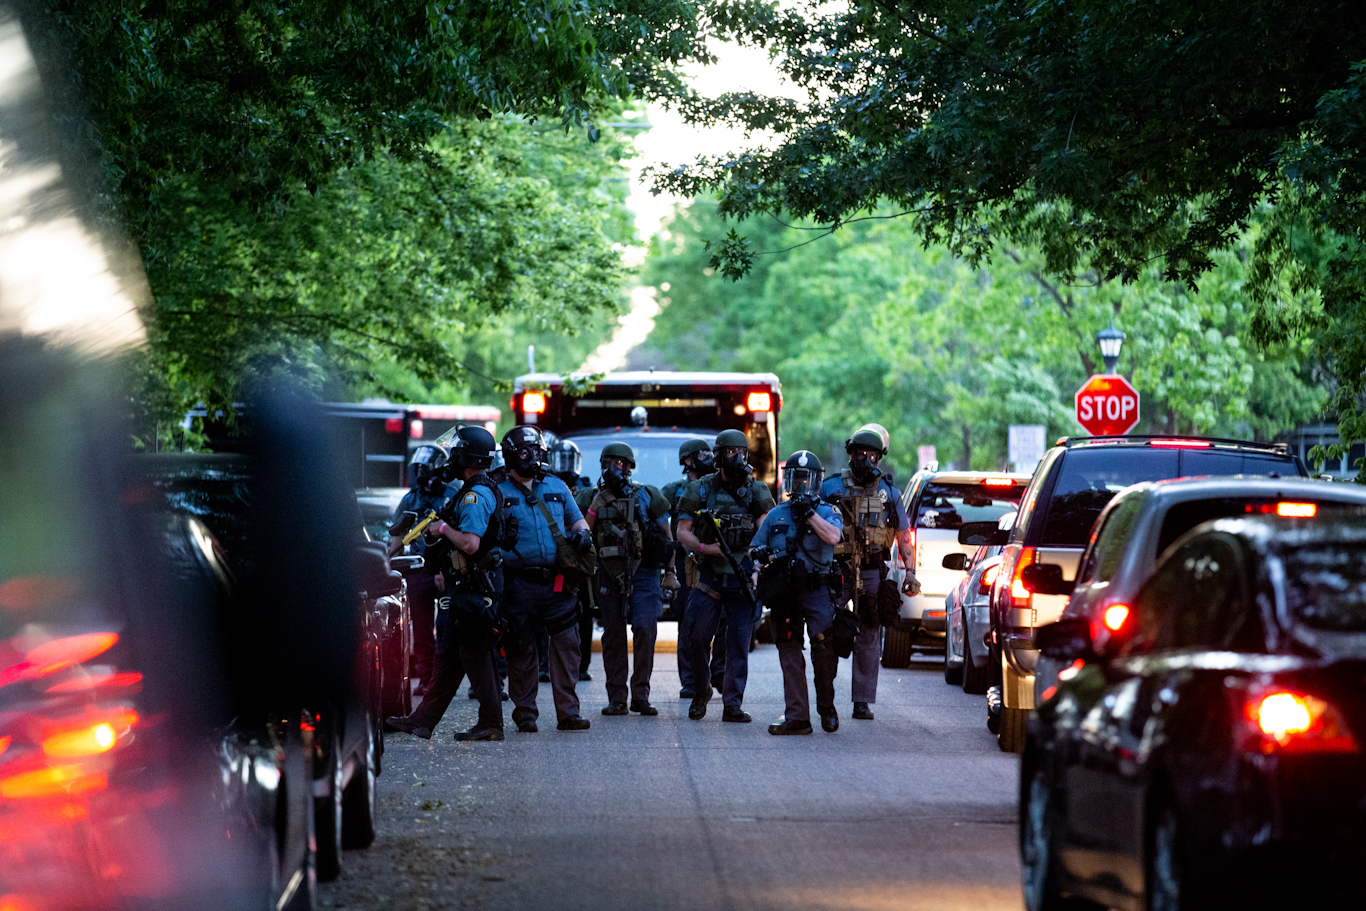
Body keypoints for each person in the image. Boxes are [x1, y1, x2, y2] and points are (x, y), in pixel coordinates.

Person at [384, 427, 507, 740]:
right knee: (449, 658)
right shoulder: (472, 489)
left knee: (476, 658)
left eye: (456, 450)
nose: (451, 456)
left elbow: (469, 544)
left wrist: (442, 530)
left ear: (467, 455)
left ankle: (491, 724)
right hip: (462, 590)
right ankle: (422, 721)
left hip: (473, 590)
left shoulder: (475, 495)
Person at [498, 425, 593, 732]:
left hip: (557, 583)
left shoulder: (557, 485)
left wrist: (581, 533)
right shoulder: (496, 490)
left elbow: (577, 518)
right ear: (511, 456)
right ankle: (525, 713)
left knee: (567, 646)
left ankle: (569, 713)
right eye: (526, 452)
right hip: (516, 584)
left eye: (537, 451)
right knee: (521, 649)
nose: (533, 457)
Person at [676, 429, 774, 722]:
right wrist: (707, 547)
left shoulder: (757, 491)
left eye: (741, 452)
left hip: (742, 574)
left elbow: (765, 532)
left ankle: (732, 703)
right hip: (708, 574)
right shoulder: (700, 490)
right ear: (718, 457)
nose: (736, 458)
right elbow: (683, 532)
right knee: (698, 637)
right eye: (730, 452)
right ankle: (700, 691)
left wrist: (756, 568)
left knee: (739, 643)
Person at [819, 427, 917, 721]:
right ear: (850, 454)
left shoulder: (890, 492)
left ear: (879, 457)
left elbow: (903, 535)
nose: (865, 459)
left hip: (873, 569)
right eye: (859, 453)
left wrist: (911, 571)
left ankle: (861, 700)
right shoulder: (830, 487)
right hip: (837, 568)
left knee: (871, 633)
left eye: (871, 454)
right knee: (828, 629)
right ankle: (826, 697)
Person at [752, 452, 844, 734]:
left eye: (807, 479)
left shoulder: (828, 511)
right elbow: (754, 548)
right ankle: (797, 717)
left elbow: (833, 537)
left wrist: (809, 514)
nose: (801, 484)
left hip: (817, 590)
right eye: (796, 478)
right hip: (785, 593)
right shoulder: (776, 514)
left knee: (824, 650)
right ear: (787, 480)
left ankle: (826, 708)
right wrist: (760, 553)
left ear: (816, 481)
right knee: (789, 651)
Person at [584, 442, 673, 716]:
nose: (617, 468)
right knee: (612, 635)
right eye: (612, 462)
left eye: (622, 464)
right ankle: (617, 698)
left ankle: (641, 695)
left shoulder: (647, 494)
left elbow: (666, 537)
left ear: (631, 468)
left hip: (643, 571)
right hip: (609, 573)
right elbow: (582, 533)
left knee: (646, 628)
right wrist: (596, 507)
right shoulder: (590, 497)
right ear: (603, 464)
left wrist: (670, 572)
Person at [386, 444, 453, 694]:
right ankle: (426, 680)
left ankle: (445, 679)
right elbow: (397, 535)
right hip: (417, 570)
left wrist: (445, 570)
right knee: (422, 629)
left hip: (446, 572)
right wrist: (388, 560)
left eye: (427, 468)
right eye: (420, 468)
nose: (422, 473)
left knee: (447, 629)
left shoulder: (452, 495)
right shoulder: (410, 499)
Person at [662, 439, 723, 699]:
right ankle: (690, 681)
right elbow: (659, 522)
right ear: (687, 460)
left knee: (724, 623)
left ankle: (717, 675)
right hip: (686, 564)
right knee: (688, 624)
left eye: (710, 453)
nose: (708, 458)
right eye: (701, 455)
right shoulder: (673, 490)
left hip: (718, 561)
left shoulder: (720, 487)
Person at [552, 438, 596, 682]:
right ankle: (546, 665)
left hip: (580, 561)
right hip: (556, 560)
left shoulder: (588, 490)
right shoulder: (548, 486)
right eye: (562, 459)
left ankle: (582, 665)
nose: (566, 465)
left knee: (585, 612)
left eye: (570, 459)